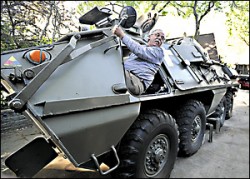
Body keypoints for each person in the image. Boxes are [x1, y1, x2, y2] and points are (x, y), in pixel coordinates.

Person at [112, 25, 165, 95]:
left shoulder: (159, 52)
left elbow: (139, 50)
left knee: (114, 69)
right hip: (129, 77)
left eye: (162, 38)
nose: (159, 38)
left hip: (136, 82)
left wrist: (122, 35)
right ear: (149, 37)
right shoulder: (143, 48)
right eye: (157, 35)